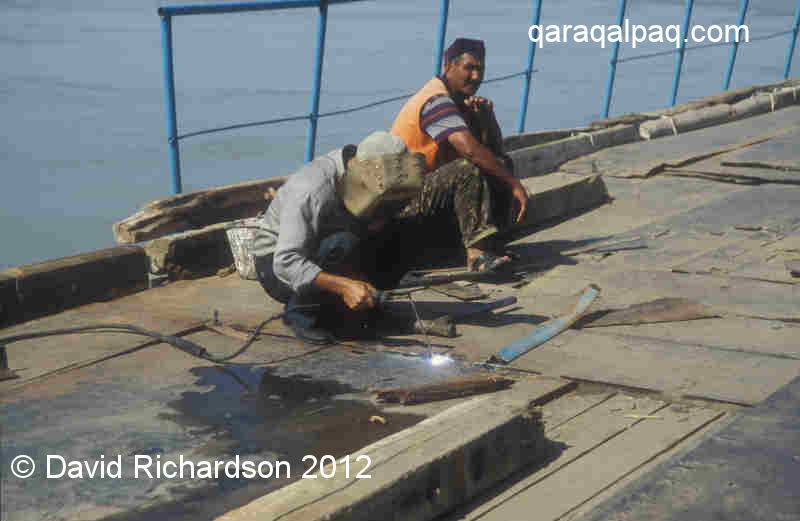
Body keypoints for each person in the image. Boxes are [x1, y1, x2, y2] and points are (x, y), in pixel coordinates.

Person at [251, 131, 425, 345]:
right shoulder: (311, 189)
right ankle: (301, 316)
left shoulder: (357, 169)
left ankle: (359, 308)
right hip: (276, 266)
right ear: (358, 167)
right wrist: (344, 286)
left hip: (322, 245)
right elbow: (286, 263)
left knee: (397, 234)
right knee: (343, 243)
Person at [391, 37, 529, 272]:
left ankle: (490, 245)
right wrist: (515, 184)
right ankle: (476, 256)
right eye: (469, 68)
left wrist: (486, 121)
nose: (476, 77)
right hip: (402, 203)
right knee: (468, 168)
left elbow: (493, 154)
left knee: (499, 163)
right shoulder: (436, 100)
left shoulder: (459, 103)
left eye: (480, 69)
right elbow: (469, 150)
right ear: (448, 66)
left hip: (432, 195)